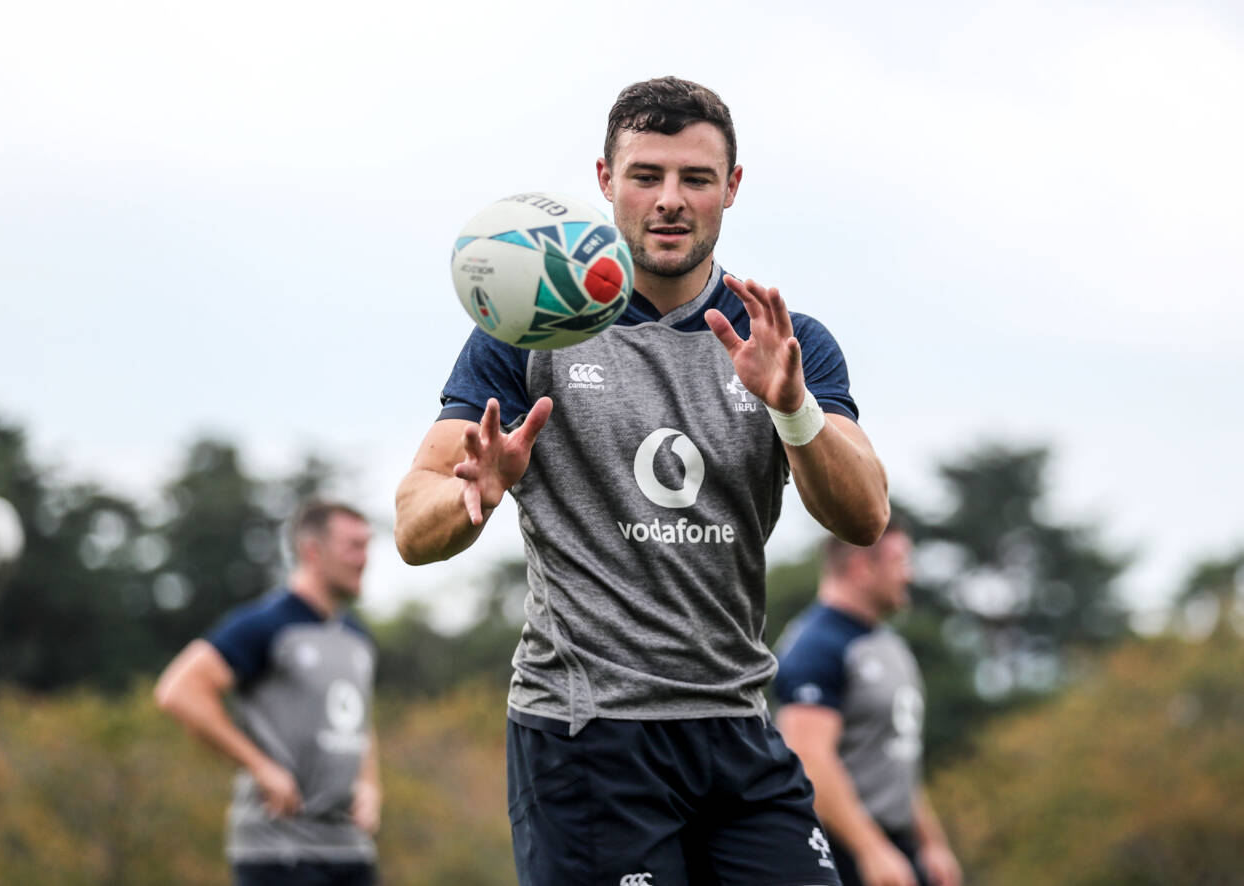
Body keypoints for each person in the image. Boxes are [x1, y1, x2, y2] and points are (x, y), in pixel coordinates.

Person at [395, 75, 890, 885]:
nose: (670, 200)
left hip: (736, 725)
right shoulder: (525, 330)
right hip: (588, 736)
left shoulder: (784, 340)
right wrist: (471, 492)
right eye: (646, 176)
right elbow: (413, 528)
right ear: (604, 182)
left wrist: (792, 407)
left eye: (695, 179)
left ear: (730, 189)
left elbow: (866, 514)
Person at [155, 500, 381, 886]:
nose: (364, 559)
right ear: (312, 551)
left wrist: (370, 784)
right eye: (353, 546)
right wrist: (260, 766)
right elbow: (178, 691)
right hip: (279, 852)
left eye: (366, 546)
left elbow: (359, 720)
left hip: (350, 849)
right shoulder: (266, 625)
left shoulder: (358, 638)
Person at [773, 523, 961, 886]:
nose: (910, 574)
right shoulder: (817, 645)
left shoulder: (888, 645)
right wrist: (869, 849)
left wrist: (930, 844)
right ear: (862, 567)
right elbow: (810, 760)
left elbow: (893, 757)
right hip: (841, 853)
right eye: (900, 561)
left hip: (895, 847)